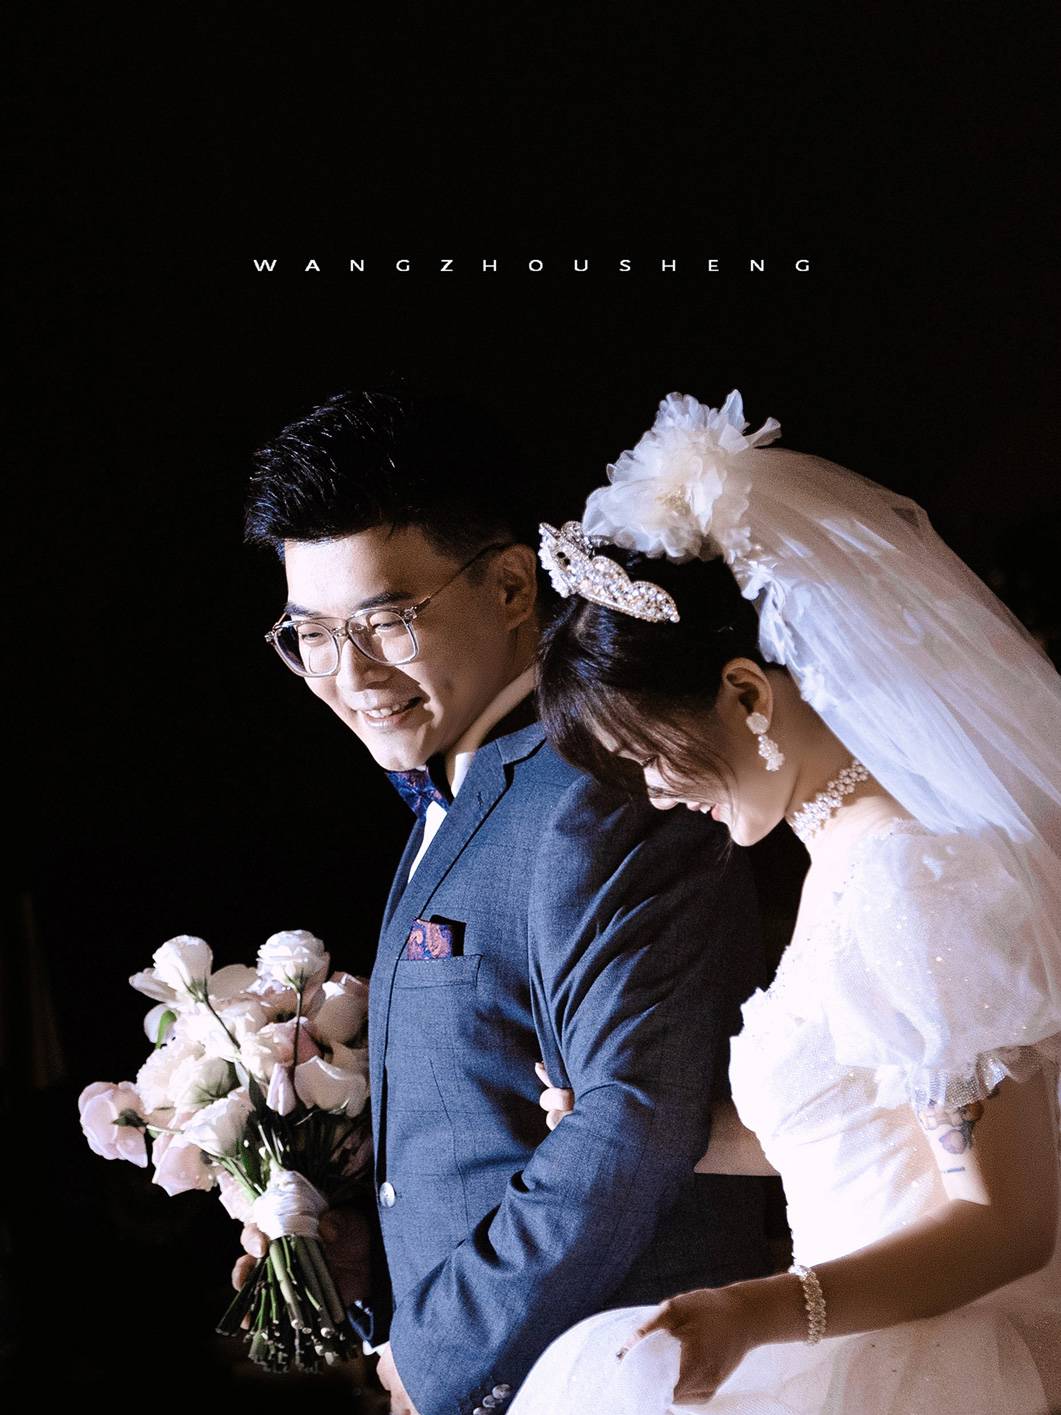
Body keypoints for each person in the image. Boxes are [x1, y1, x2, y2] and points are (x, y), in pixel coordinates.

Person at [509, 390, 1061, 1414]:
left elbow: (1008, 1224)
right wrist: (628, 1123)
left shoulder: (907, 879)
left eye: (652, 755)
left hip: (924, 1359)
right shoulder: (841, 864)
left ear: (746, 693)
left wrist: (756, 1310)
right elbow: (871, 1138)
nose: (657, 793)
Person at [234, 388, 779, 1415]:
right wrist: (363, 1252)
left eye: (384, 621)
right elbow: (484, 1125)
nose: (350, 675)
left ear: (513, 586)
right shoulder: (454, 790)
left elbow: (634, 1122)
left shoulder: (603, 788)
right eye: (311, 635)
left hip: (633, 1375)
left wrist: (433, 1352)